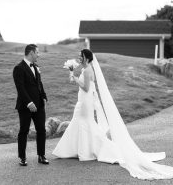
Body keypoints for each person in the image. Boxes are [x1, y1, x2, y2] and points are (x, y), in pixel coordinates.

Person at [52, 49, 173, 180]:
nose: (79, 58)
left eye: (80, 56)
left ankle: (87, 150)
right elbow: (83, 85)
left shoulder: (87, 70)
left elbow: (86, 87)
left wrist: (75, 78)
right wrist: (73, 73)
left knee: (85, 124)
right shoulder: (85, 69)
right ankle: (78, 149)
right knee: (82, 123)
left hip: (85, 102)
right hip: (83, 101)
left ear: (86, 58)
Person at [13, 44, 49, 166]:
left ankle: (41, 155)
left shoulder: (36, 67)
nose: (39, 55)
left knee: (41, 130)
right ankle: (22, 157)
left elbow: (39, 84)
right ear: (31, 53)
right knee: (24, 131)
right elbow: (20, 88)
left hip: (39, 105)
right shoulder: (18, 68)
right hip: (25, 106)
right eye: (37, 52)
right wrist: (29, 103)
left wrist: (44, 97)